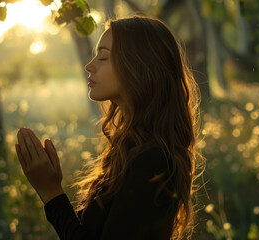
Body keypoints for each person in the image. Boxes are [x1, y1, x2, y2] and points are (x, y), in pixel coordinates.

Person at [15, 15, 205, 240]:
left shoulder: (153, 161)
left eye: (103, 57)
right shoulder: (131, 150)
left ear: (138, 67)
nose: (89, 65)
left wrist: (51, 192)